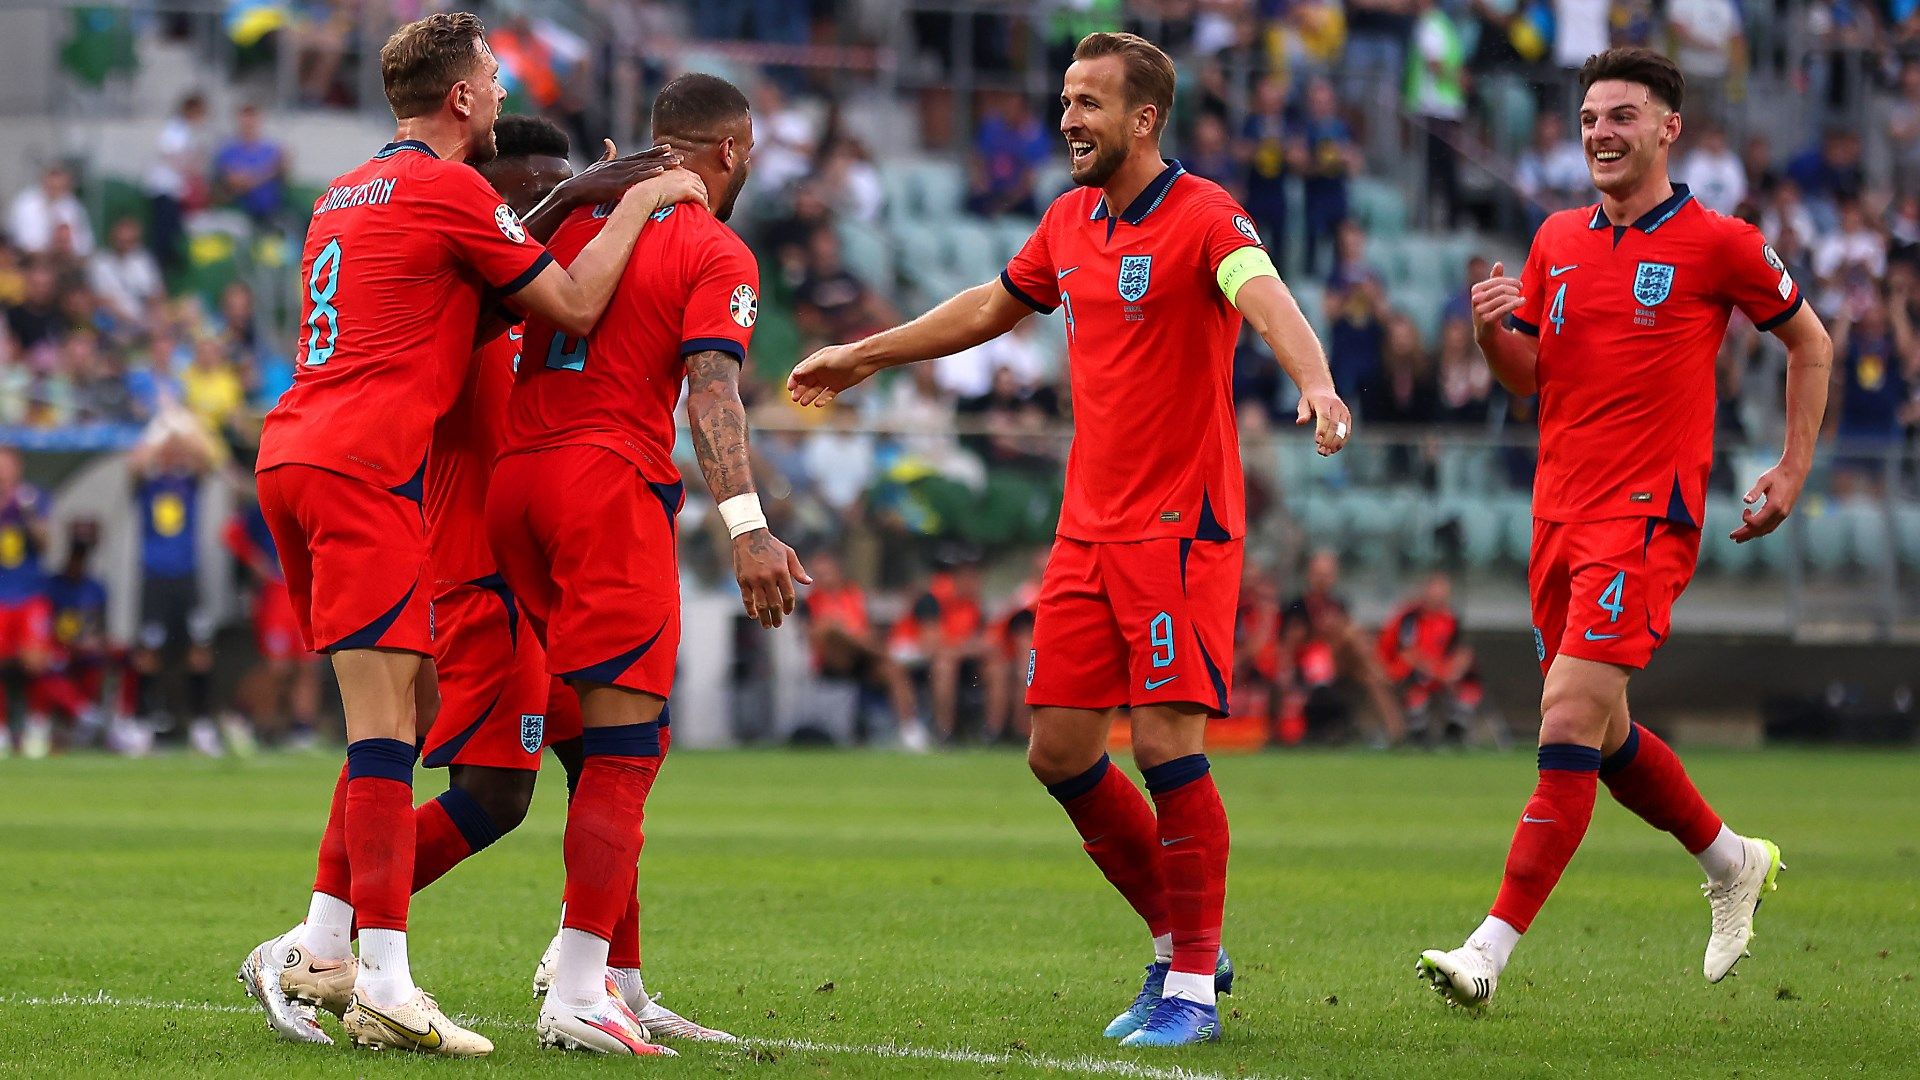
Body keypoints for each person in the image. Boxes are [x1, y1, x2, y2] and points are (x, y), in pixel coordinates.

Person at [790, 32, 1351, 1047]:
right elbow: (987, 308)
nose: (1067, 120)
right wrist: (865, 355)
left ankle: (1186, 987)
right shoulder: (1068, 220)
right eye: (1064, 101)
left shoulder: (1206, 215)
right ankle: (1187, 939)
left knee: (1169, 742)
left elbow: (1265, 299)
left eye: (1088, 103)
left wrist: (1314, 383)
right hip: (1088, 529)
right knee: (1059, 750)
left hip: (1179, 528)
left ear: (1144, 119)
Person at [241, 11, 703, 1057]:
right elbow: (576, 303)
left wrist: (569, 205)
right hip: (382, 486)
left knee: (426, 728)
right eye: (493, 79)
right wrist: (633, 198)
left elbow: (456, 312)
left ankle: (578, 973)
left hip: (299, 452)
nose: (500, 93)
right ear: (460, 98)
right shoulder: (450, 191)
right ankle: (360, 963)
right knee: (392, 737)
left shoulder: (342, 193)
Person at [1420, 48, 1833, 1010]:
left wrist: (1791, 468)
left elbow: (1809, 340)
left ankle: (1486, 953)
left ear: (1667, 129)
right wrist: (1491, 334)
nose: (1602, 133)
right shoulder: (1555, 239)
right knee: (1602, 741)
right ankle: (1732, 861)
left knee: (1562, 719)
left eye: (1623, 117)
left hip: (1648, 520)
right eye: (1591, 117)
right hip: (1557, 517)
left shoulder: (1720, 243)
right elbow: (1536, 377)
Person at [488, 73, 801, 1055]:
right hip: (603, 487)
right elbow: (712, 392)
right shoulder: (714, 247)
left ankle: (614, 976)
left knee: (612, 745)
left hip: (514, 488)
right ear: (730, 152)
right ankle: (578, 985)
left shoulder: (579, 224)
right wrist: (747, 526)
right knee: (625, 754)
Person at [126, 419, 227, 757]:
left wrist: (181, 427)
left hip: (187, 578)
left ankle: (201, 726)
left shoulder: (189, 482)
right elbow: (136, 463)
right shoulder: (148, 484)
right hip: (154, 579)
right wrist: (158, 429)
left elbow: (207, 457)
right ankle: (141, 724)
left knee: (199, 652)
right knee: (148, 654)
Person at [801, 550, 926, 748]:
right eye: (818, 574)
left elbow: (865, 627)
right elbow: (816, 636)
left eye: (827, 572)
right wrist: (854, 636)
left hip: (862, 658)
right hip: (834, 661)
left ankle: (910, 730)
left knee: (893, 671)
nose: (823, 578)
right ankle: (882, 652)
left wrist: (855, 636)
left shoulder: (853, 595)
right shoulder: (810, 602)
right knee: (831, 630)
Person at [32, 519, 117, 756]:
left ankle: (92, 721)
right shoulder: (51, 586)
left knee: (102, 661)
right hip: (59, 650)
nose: (78, 562)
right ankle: (83, 714)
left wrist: (93, 643)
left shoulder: (96, 588)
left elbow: (101, 630)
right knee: (46, 666)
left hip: (83, 654)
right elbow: (44, 628)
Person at [1377, 573, 1483, 745]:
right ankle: (1418, 734)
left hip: (1442, 672)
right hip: (1413, 672)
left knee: (1470, 684)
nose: (1439, 595)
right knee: (1417, 686)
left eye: (1443, 591)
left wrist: (1455, 669)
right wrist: (1438, 673)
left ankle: (1455, 731)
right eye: (1435, 590)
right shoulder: (1410, 618)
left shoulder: (1451, 619)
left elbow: (1461, 651)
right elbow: (1409, 654)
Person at [0, 447, 52, 757]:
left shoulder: (33, 498)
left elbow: (46, 543)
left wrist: (27, 511)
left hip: (29, 594)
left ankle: (37, 723)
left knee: (36, 662)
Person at [212, 103, 289, 226]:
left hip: (271, 211)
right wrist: (270, 171)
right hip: (240, 211)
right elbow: (236, 183)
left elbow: (284, 173)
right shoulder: (228, 149)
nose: (249, 126)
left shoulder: (270, 148)